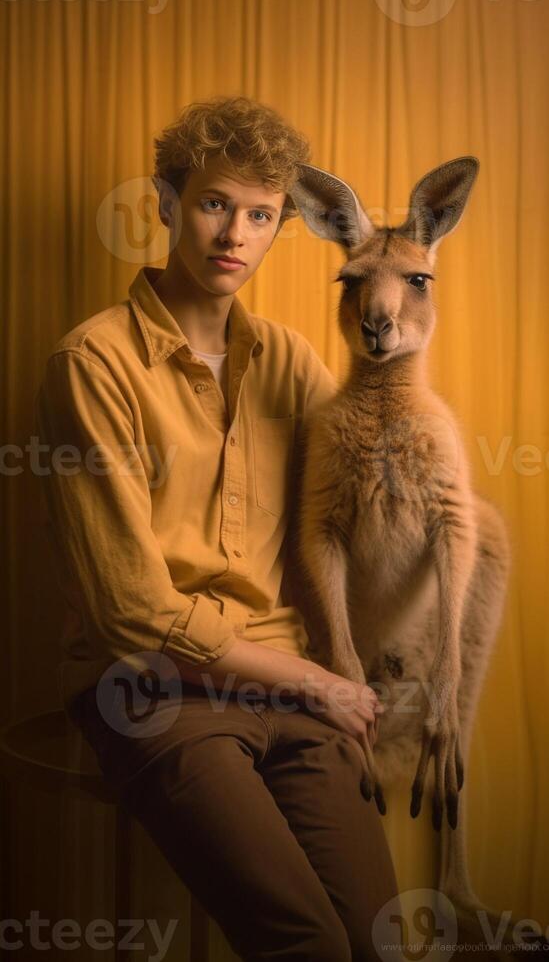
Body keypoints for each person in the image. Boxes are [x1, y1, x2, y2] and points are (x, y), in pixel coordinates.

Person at [35, 94, 401, 962]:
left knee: (383, 942)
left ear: (281, 227)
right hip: (155, 691)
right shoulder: (91, 363)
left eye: (259, 215)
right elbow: (130, 609)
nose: (233, 234)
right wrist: (314, 682)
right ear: (165, 204)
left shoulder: (289, 360)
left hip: (291, 684)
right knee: (306, 942)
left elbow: (371, 505)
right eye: (212, 204)